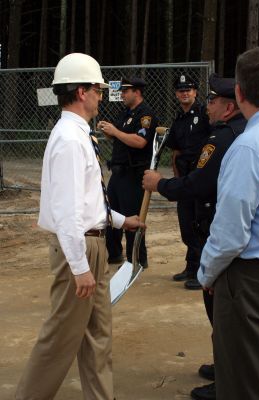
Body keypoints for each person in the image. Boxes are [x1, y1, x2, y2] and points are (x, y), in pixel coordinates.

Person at [15, 53, 144, 400]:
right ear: (83, 91)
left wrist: (119, 219)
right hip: (80, 248)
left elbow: (87, 201)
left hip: (91, 243)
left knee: (98, 336)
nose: (102, 96)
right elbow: (68, 211)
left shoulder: (77, 135)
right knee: (59, 339)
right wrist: (79, 267)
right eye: (99, 90)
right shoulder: (71, 140)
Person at [142, 73, 246, 400]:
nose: (208, 104)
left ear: (228, 107)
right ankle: (225, 363)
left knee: (221, 308)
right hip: (222, 230)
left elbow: (200, 182)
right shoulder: (241, 131)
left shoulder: (223, 138)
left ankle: (228, 379)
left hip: (219, 231)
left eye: (213, 100)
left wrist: (160, 185)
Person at [198, 47, 259, 400]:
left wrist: (208, 273)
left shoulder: (248, 147)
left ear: (239, 94)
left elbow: (230, 232)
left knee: (244, 381)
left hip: (250, 281)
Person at [98, 77, 158, 268]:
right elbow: (119, 135)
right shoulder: (126, 113)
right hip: (118, 173)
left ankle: (137, 259)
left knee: (133, 217)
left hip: (133, 174)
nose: (122, 94)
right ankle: (114, 253)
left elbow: (140, 142)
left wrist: (115, 131)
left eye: (126, 91)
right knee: (111, 214)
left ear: (137, 92)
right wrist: (108, 130)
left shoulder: (145, 115)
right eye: (122, 91)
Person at [166, 73, 210, 290]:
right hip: (184, 179)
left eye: (189, 90)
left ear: (195, 92)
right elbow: (175, 151)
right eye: (181, 90)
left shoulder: (204, 114)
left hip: (200, 178)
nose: (185, 93)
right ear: (176, 94)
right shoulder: (178, 119)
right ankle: (191, 267)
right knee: (187, 225)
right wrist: (177, 177)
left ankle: (203, 271)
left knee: (200, 225)